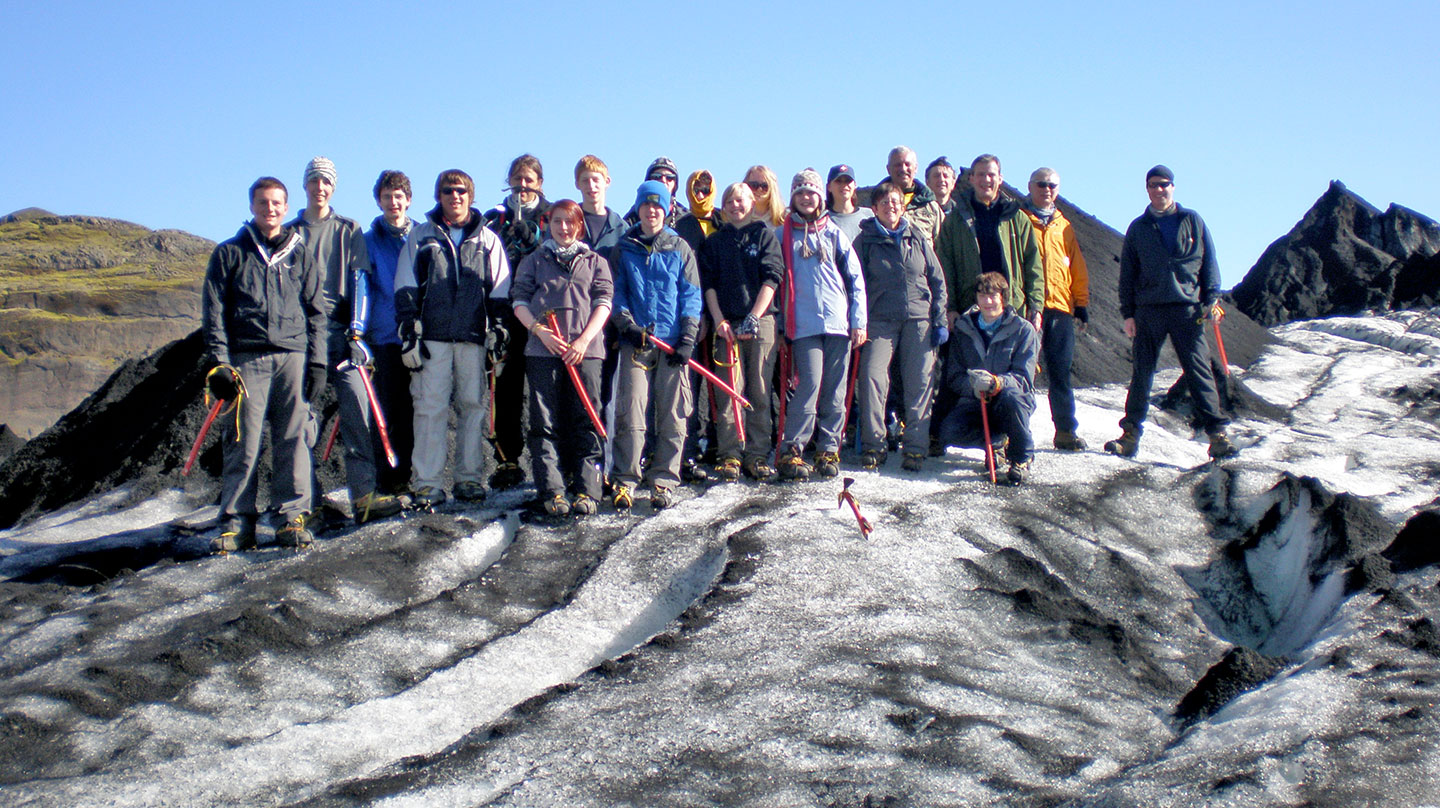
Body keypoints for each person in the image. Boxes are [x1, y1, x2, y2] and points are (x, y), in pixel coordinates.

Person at [201, 177, 326, 550]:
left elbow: (317, 310)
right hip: (247, 358)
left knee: (294, 440)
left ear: (286, 208)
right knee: (243, 441)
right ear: (252, 206)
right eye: (263, 203)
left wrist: (318, 362)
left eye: (276, 203)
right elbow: (214, 312)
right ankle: (237, 523)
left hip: (293, 356)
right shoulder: (229, 253)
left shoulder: (301, 253)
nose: (270, 209)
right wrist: (219, 363)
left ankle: (291, 518)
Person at [289, 157, 401, 526]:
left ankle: (363, 497)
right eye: (314, 181)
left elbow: (360, 283)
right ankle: (308, 503)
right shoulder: (289, 234)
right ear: (305, 185)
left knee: (358, 414)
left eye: (326, 182)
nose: (320, 187)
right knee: (299, 422)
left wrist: (357, 332)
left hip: (341, 334)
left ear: (333, 188)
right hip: (301, 338)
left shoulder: (348, 230)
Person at [394, 169, 512, 509]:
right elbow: (405, 287)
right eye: (448, 191)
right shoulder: (421, 237)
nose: (455, 196)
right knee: (430, 410)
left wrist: (499, 331)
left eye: (461, 191)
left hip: (473, 338)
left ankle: (469, 479)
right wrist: (409, 334)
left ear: (471, 197)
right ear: (439, 196)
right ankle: (428, 483)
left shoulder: (487, 239)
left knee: (473, 408)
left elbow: (500, 290)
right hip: (433, 339)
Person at [1106, 165, 1236, 460]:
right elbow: (1128, 274)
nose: (1159, 189)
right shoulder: (1138, 228)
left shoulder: (1192, 221)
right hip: (1148, 310)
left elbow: (1209, 263)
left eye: (1164, 184)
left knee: (1199, 371)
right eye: (1153, 185)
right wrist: (1128, 313)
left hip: (1187, 310)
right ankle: (1129, 436)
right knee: (1142, 373)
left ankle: (1217, 436)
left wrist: (1212, 299)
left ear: (1173, 187)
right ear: (1147, 189)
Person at [510, 200, 613, 516]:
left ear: (579, 225)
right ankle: (553, 491)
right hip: (544, 352)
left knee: (587, 419)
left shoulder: (596, 262)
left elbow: (603, 302)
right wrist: (540, 331)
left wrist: (584, 340)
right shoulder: (535, 260)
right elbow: (519, 301)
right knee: (544, 422)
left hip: (586, 352)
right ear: (548, 224)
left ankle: (588, 490)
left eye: (570, 222)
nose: (564, 228)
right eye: (557, 222)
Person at [609, 180, 703, 510]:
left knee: (674, 412)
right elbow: (616, 291)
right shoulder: (625, 246)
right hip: (637, 341)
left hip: (673, 342)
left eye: (658, 206)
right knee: (631, 409)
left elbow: (691, 295)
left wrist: (688, 336)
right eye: (647, 205)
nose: (652, 211)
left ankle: (663, 478)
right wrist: (626, 324)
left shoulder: (680, 248)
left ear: (666, 210)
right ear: (638, 208)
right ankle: (626, 479)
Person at [774, 169, 867, 480]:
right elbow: (774, 280)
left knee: (835, 389)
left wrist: (858, 320)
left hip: (839, 324)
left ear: (820, 196)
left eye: (811, 192)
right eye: (800, 192)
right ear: (793, 196)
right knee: (809, 385)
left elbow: (855, 280)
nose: (806, 197)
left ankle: (828, 448)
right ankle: (793, 449)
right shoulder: (782, 234)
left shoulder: (834, 233)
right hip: (802, 325)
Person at [853, 181, 947, 472]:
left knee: (920, 381)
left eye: (895, 201)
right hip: (879, 319)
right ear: (875, 208)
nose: (890, 206)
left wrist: (940, 318)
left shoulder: (915, 236)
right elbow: (854, 284)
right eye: (884, 202)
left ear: (902, 206)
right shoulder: (864, 241)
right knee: (872, 378)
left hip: (919, 319)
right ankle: (874, 445)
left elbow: (937, 279)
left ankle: (915, 448)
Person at [699, 182, 785, 481]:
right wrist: (720, 321)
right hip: (726, 325)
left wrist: (754, 316)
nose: (736, 206)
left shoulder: (764, 235)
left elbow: (772, 277)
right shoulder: (714, 242)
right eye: (730, 201)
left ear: (752, 203)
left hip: (760, 322)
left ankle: (758, 454)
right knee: (729, 392)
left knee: (759, 391)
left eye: (741, 200)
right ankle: (730, 454)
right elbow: (708, 284)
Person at [483, 154, 552, 491]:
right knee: (505, 390)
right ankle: (507, 458)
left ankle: (548, 457)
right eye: (517, 179)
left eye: (529, 180)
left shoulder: (553, 216)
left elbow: (560, 253)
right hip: (504, 316)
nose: (523, 186)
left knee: (543, 390)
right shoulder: (493, 219)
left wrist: (534, 239)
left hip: (542, 315)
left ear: (539, 183)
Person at [937, 272, 1039, 485]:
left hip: (1010, 401)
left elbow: (1024, 378)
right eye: (983, 296)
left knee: (1011, 398)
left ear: (1003, 297)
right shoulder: (964, 329)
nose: (988, 301)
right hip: (976, 402)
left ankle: (1021, 457)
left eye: (993, 296)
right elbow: (954, 376)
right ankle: (996, 441)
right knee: (949, 431)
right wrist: (973, 387)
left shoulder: (1023, 330)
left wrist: (997, 383)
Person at [1022, 167, 1091, 451]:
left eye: (1052, 185)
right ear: (1030, 186)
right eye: (1041, 184)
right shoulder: (1019, 219)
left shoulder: (1065, 226)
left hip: (1061, 308)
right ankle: (1017, 430)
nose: (1047, 189)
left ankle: (1065, 431)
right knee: (1024, 372)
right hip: (1029, 308)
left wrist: (1081, 302)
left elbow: (1076, 265)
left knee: (1061, 373)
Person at [936, 154, 1043, 327]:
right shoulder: (955, 221)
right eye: (980, 174)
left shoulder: (1017, 218)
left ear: (1000, 179)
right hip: (970, 309)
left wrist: (1036, 306)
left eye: (991, 175)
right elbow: (945, 266)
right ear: (971, 178)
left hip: (1013, 309)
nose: (986, 179)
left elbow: (1033, 265)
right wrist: (951, 307)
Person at [362, 170, 418, 496]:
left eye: (399, 196)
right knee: (387, 412)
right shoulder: (368, 242)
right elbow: (363, 289)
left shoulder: (423, 238)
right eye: (387, 196)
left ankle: (411, 474)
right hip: (384, 337)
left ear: (408, 200)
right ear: (379, 200)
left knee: (416, 411)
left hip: (419, 337)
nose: (393, 202)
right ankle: (387, 477)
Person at [863, 146, 943, 243]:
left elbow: (943, 246)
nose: (903, 169)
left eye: (907, 164)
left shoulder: (930, 206)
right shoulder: (873, 204)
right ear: (888, 169)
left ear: (916, 168)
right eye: (898, 165)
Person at [575, 155, 626, 253]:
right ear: (577, 184)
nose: (591, 186)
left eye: (595, 180)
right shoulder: (567, 222)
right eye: (585, 181)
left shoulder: (621, 228)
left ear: (607, 182)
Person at [624, 157, 689, 229]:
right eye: (657, 176)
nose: (663, 180)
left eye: (669, 177)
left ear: (675, 184)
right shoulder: (634, 215)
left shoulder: (686, 218)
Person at [825, 164, 874, 245]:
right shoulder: (824, 220)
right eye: (838, 181)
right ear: (829, 187)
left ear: (855, 185)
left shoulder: (869, 215)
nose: (844, 185)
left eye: (848, 181)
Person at [674, 170, 721, 251]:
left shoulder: (725, 220)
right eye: (696, 191)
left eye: (705, 190)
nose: (700, 196)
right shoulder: (680, 226)